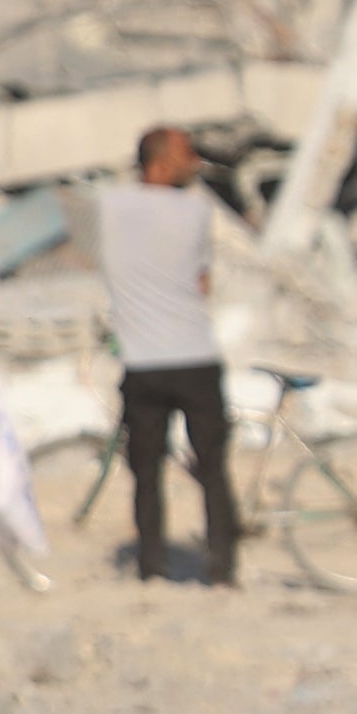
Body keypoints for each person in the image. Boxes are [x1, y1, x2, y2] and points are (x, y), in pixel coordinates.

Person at [92, 126, 240, 590]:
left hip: (142, 364)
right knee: (213, 469)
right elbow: (202, 282)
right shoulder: (196, 210)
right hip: (195, 356)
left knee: (147, 474)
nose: (194, 161)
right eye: (185, 154)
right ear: (159, 162)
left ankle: (151, 567)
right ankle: (222, 568)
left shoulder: (110, 205)